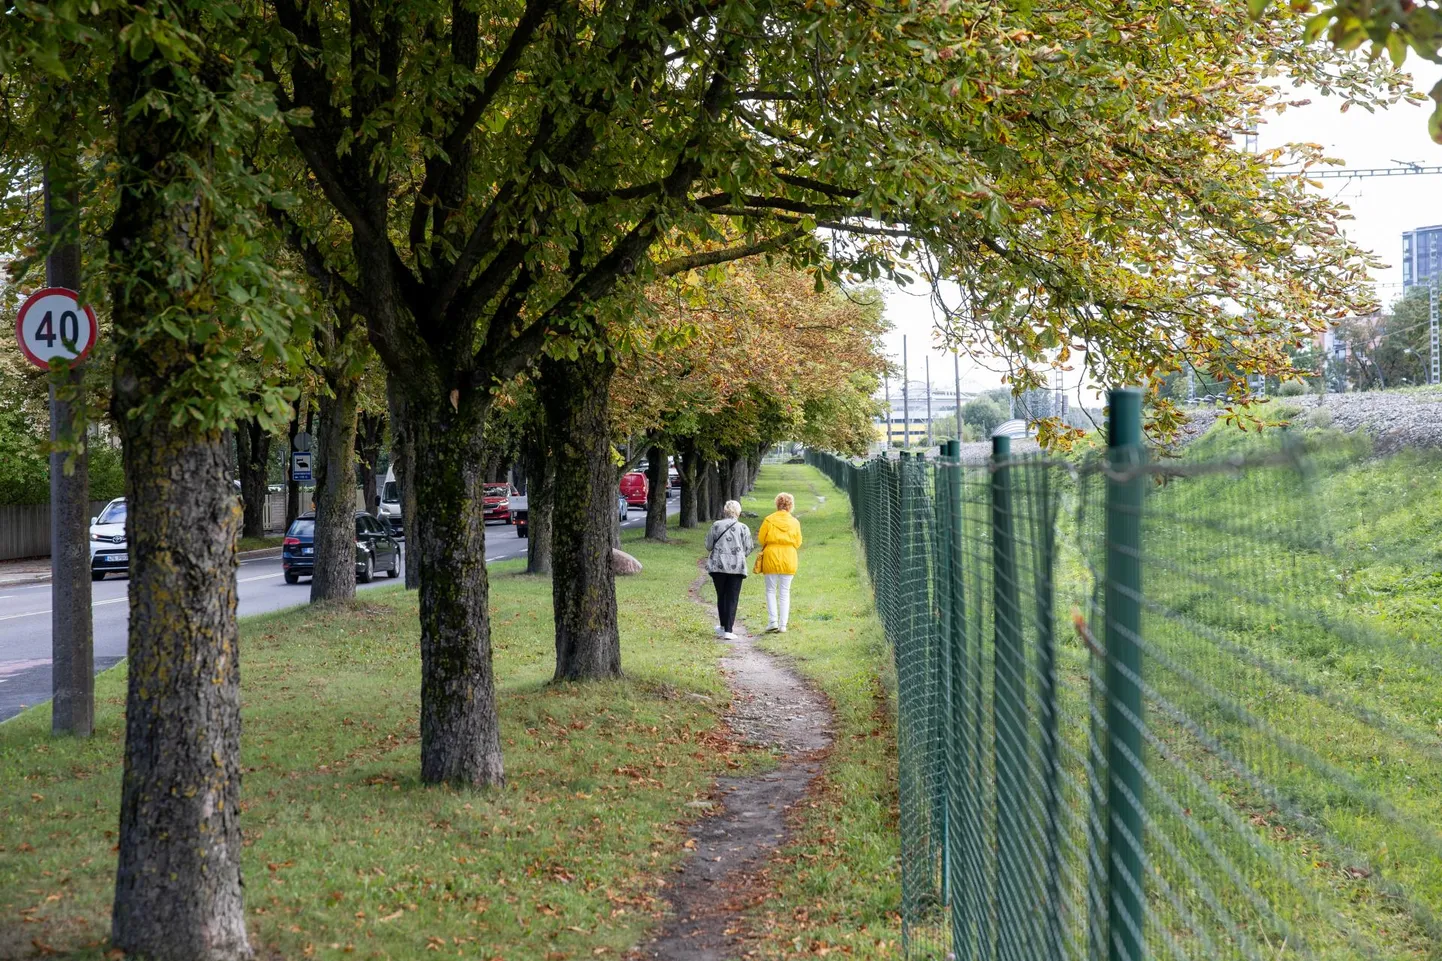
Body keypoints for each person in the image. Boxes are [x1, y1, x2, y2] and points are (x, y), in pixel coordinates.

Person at [704, 500, 755, 640]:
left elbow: (708, 545)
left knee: (722, 595)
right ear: (738, 511)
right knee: (732, 597)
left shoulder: (716, 525)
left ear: (725, 511)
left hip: (717, 566)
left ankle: (722, 626)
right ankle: (728, 630)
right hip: (737, 567)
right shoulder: (743, 528)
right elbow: (749, 548)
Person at [756, 491, 803, 633]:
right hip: (789, 557)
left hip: (771, 556)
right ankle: (783, 625)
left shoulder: (769, 520)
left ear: (777, 504)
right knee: (785, 592)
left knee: (770, 590)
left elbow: (761, 539)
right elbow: (798, 542)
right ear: (790, 506)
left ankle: (773, 621)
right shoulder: (794, 522)